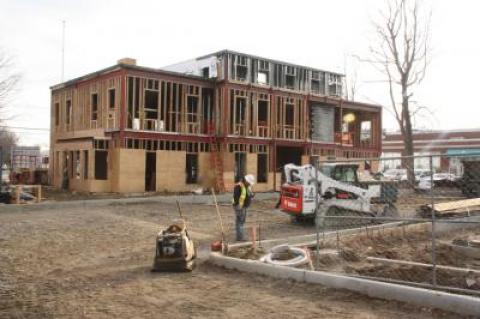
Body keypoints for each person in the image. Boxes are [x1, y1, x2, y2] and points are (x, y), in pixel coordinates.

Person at [232, 174, 255, 241]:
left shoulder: (246, 186)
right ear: (246, 181)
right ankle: (240, 238)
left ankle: (239, 236)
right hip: (240, 207)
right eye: (249, 183)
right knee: (240, 222)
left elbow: (247, 194)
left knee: (240, 222)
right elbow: (236, 197)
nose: (249, 184)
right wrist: (238, 206)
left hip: (243, 206)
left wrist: (251, 195)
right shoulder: (239, 186)